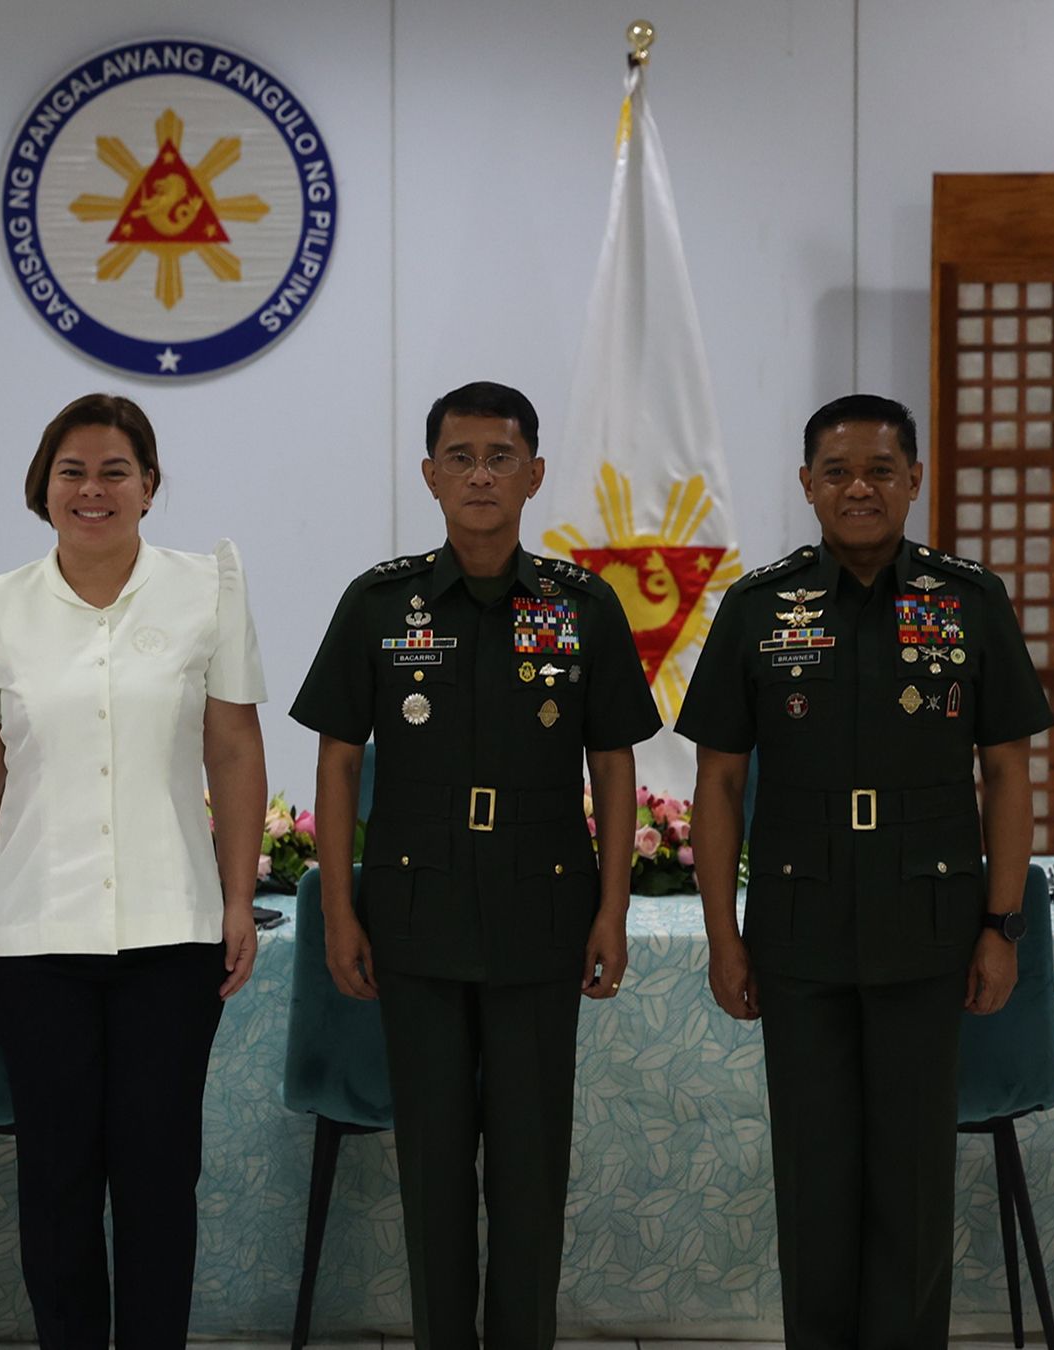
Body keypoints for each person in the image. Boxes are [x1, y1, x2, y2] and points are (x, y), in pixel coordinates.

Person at [676, 394, 1048, 1348]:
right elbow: (717, 784)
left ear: (915, 480)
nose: (859, 488)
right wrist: (724, 934)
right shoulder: (758, 608)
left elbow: (1005, 771)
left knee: (914, 1186)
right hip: (797, 938)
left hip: (929, 932)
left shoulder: (971, 601)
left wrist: (1001, 926)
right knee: (814, 1179)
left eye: (881, 470)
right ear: (806, 485)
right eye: (837, 471)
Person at [290, 380, 656, 1349]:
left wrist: (612, 911)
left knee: (532, 1173)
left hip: (544, 920)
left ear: (536, 475)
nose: (481, 475)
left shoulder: (583, 607)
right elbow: (335, 761)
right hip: (416, 919)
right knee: (435, 1172)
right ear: (429, 475)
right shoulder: (379, 604)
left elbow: (614, 761)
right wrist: (338, 910)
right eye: (461, 457)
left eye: (502, 457)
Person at [0, 392, 267, 1348]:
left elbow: (234, 748)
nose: (93, 488)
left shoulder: (208, 590)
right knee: (58, 1176)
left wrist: (239, 898)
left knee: (161, 1174)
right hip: (36, 935)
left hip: (173, 934)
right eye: (72, 470)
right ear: (42, 490)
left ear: (151, 488)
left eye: (116, 469)